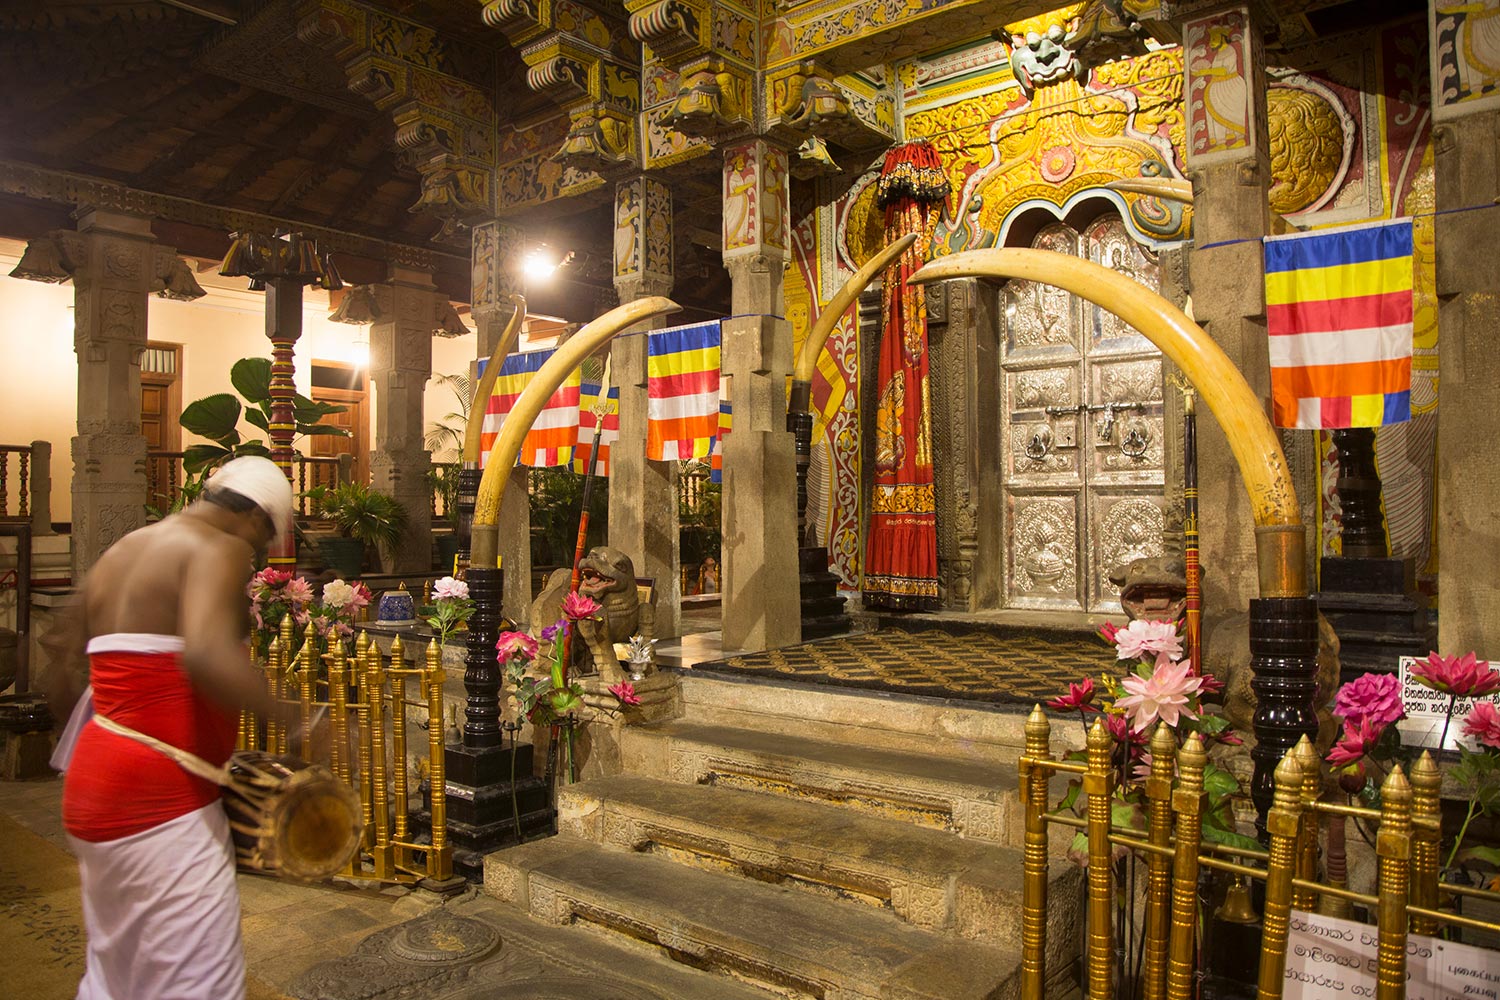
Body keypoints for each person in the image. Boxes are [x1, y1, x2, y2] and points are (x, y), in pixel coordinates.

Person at [53, 456, 294, 1000]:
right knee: (201, 982)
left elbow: (62, 653)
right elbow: (206, 653)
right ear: (256, 518)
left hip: (91, 791)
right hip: (162, 802)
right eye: (264, 540)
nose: (256, 555)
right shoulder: (220, 546)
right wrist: (296, 719)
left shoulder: (125, 549)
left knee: (117, 977)